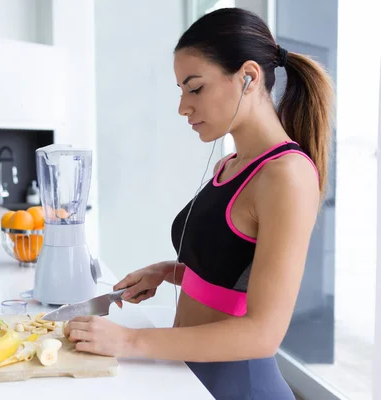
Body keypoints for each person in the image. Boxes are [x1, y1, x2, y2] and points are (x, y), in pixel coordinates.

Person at [63, 7, 334, 399]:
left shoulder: (287, 176)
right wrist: (166, 271)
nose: (183, 107)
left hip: (241, 389)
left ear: (248, 77)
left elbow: (263, 334)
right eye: (181, 91)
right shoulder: (231, 164)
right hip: (190, 378)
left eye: (195, 88)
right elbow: (229, 270)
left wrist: (130, 341)